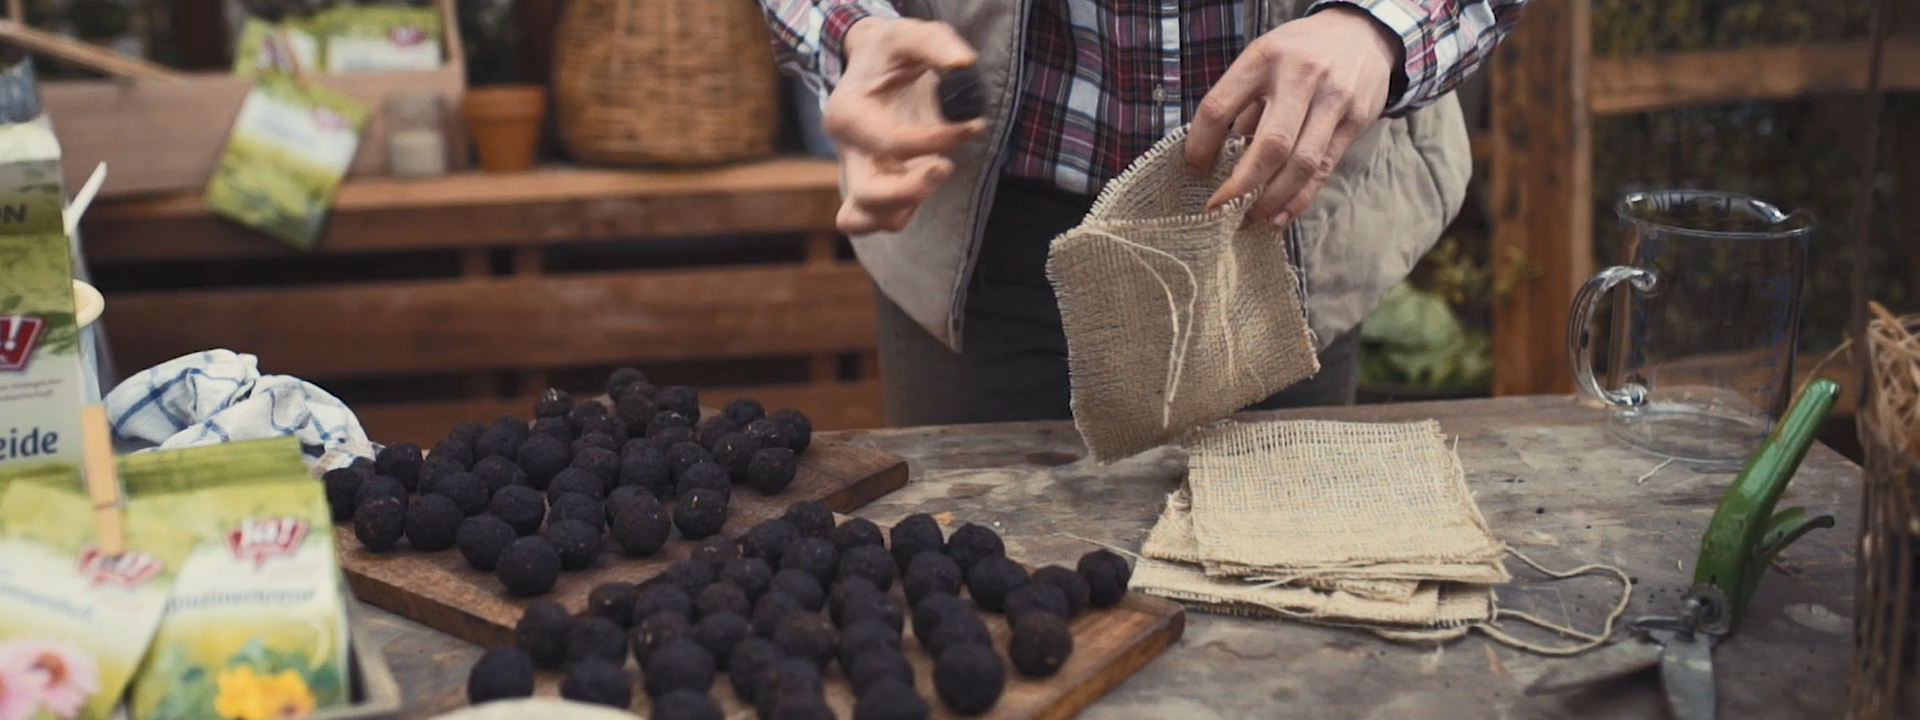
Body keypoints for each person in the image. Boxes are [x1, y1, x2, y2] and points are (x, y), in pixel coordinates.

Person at [760, 0, 1527, 427]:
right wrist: (854, 31)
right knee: (971, 603)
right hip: (980, 251)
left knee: (1281, 619)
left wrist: (1380, 26)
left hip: (1285, 238)